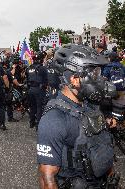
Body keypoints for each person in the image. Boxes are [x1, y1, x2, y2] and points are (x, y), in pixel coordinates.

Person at [37, 44, 119, 188]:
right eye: (94, 74)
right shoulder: (54, 119)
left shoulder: (90, 105)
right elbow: (47, 178)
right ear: (74, 79)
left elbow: (102, 144)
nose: (100, 79)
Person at [25, 51, 48, 129]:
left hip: (30, 89)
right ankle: (38, 125)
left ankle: (31, 122)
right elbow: (47, 79)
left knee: (32, 107)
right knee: (39, 107)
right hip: (39, 90)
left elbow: (27, 79)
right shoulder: (42, 68)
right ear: (41, 59)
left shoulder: (29, 68)